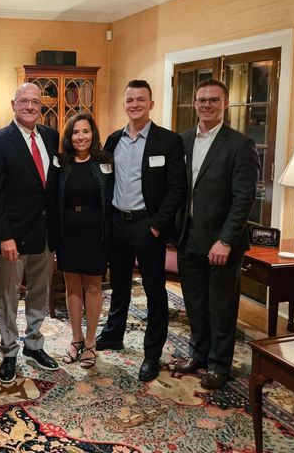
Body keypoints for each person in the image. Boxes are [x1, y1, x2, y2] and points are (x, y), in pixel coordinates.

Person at [95, 79, 186, 382]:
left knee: (153, 290)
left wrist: (158, 226)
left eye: (141, 100)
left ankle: (152, 353)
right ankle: (112, 334)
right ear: (124, 104)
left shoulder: (168, 141)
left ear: (151, 104)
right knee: (118, 284)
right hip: (118, 224)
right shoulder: (112, 140)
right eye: (130, 100)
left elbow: (177, 188)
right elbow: (103, 181)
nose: (135, 104)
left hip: (148, 226)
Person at [175, 78, 259, 390]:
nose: (207, 104)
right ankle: (198, 353)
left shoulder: (240, 145)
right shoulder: (182, 141)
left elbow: (243, 199)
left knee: (221, 304)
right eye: (202, 100)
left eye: (214, 100)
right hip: (188, 235)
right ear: (195, 104)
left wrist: (225, 240)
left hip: (221, 240)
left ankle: (219, 364)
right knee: (195, 301)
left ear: (224, 104)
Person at [0, 83, 60, 384]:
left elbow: (52, 189)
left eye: (35, 102)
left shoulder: (51, 137)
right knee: (8, 296)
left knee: (39, 293)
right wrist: (4, 236)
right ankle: (10, 350)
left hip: (44, 234)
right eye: (24, 101)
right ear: (13, 104)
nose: (30, 106)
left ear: (42, 107)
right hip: (13, 236)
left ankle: (34, 343)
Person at [56, 113, 113, 369]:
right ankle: (76, 339)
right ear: (69, 137)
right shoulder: (62, 163)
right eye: (76, 132)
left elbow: (112, 198)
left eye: (86, 131)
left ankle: (90, 342)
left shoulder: (105, 162)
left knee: (93, 286)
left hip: (96, 233)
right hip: (68, 233)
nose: (81, 137)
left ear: (93, 134)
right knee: (72, 286)